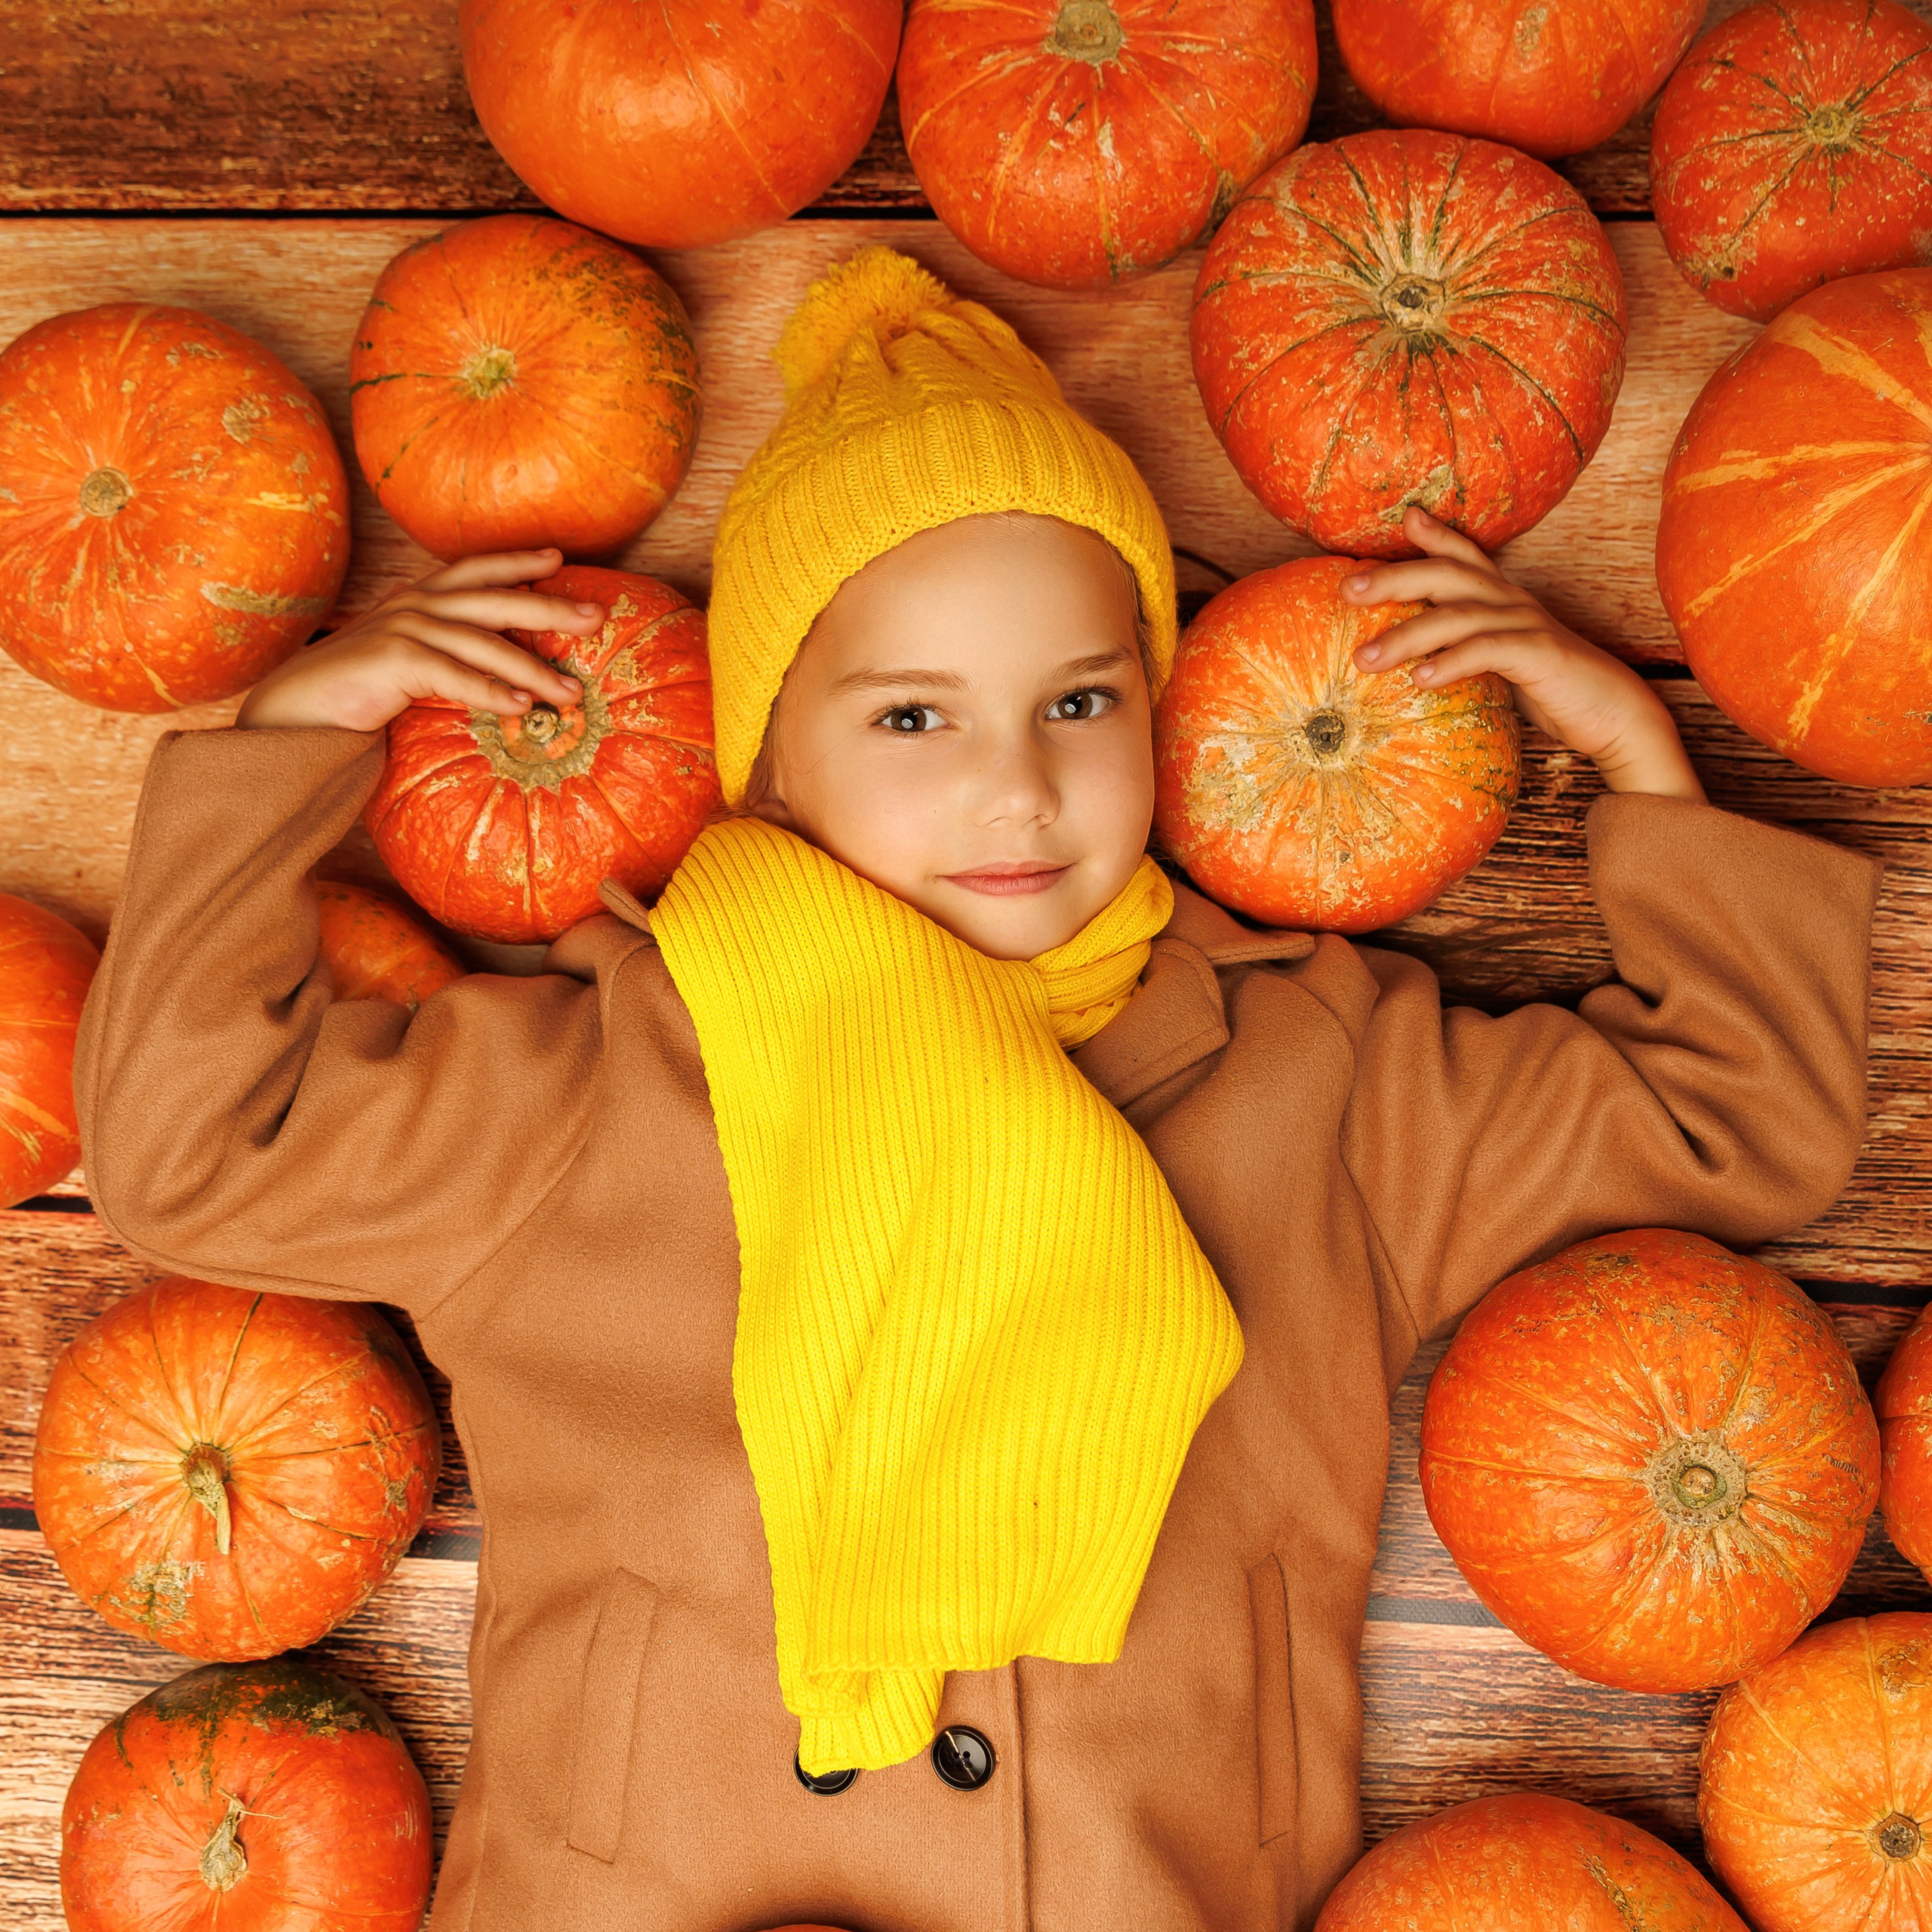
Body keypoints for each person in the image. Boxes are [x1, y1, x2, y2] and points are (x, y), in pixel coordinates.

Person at [73, 245, 1878, 1932]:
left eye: (1079, 703)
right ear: (771, 755)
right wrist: (284, 749)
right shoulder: (601, 1074)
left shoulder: (1317, 1078)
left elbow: (1743, 1119)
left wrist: (1638, 752)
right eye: (913, 719)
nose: (1015, 788)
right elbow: (188, 1150)